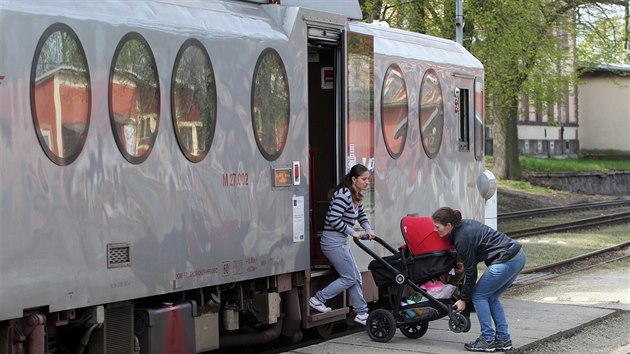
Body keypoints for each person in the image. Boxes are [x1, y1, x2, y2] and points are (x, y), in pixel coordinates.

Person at [432, 207, 525, 352]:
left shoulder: (461, 239)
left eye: (437, 227)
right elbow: (478, 249)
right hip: (518, 257)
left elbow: (471, 274)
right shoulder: (464, 225)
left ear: (449, 226)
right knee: (492, 297)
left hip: (505, 261)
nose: (435, 229)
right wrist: (464, 265)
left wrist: (463, 299)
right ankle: (503, 339)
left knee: (478, 296)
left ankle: (487, 340)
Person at [309, 164, 376, 325]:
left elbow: (361, 215)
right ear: (354, 179)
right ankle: (318, 299)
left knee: (355, 276)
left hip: (340, 242)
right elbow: (333, 219)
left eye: (368, 179)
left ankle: (361, 313)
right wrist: (352, 232)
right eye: (364, 179)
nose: (367, 182)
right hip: (332, 242)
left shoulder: (356, 195)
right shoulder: (343, 195)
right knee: (350, 276)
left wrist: (368, 229)